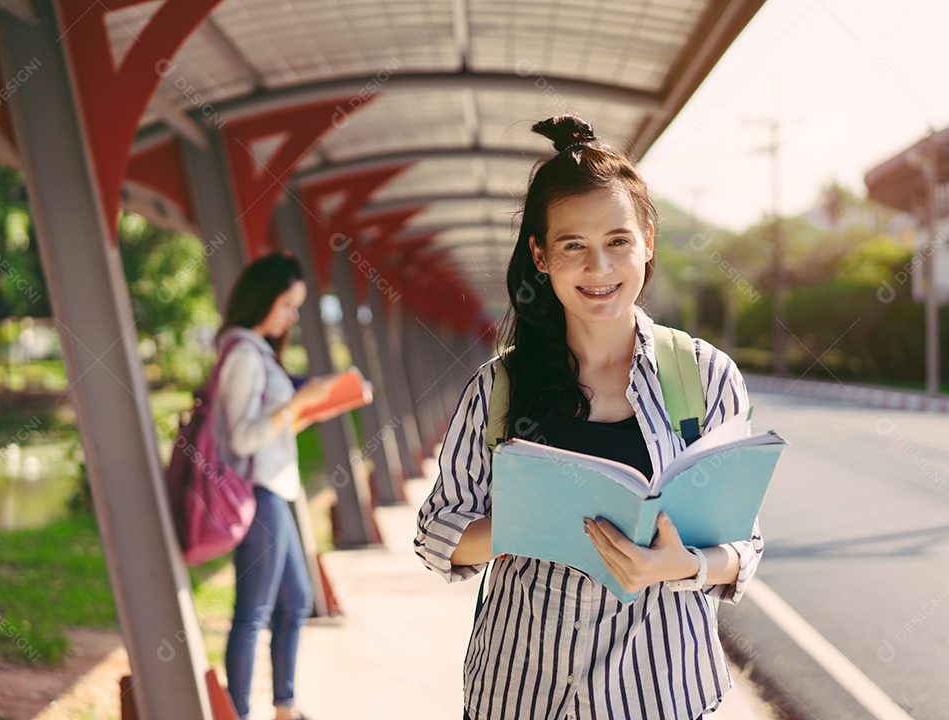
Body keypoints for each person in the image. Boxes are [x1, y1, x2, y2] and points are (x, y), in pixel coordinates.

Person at [414, 116, 763, 720]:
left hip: (662, 690)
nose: (599, 268)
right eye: (574, 246)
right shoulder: (500, 387)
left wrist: (684, 565)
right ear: (541, 257)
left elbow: (743, 542)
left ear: (648, 240)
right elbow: (436, 537)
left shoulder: (705, 378)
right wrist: (530, 520)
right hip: (521, 689)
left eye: (618, 241)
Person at [215, 252, 336, 720]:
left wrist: (307, 409)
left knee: (295, 601)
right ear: (262, 299)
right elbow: (239, 437)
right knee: (253, 613)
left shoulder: (258, 349)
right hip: (256, 493)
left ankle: (284, 708)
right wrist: (296, 404)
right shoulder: (243, 352)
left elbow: (266, 430)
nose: (292, 316)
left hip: (274, 491)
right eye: (287, 304)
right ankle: (241, 713)